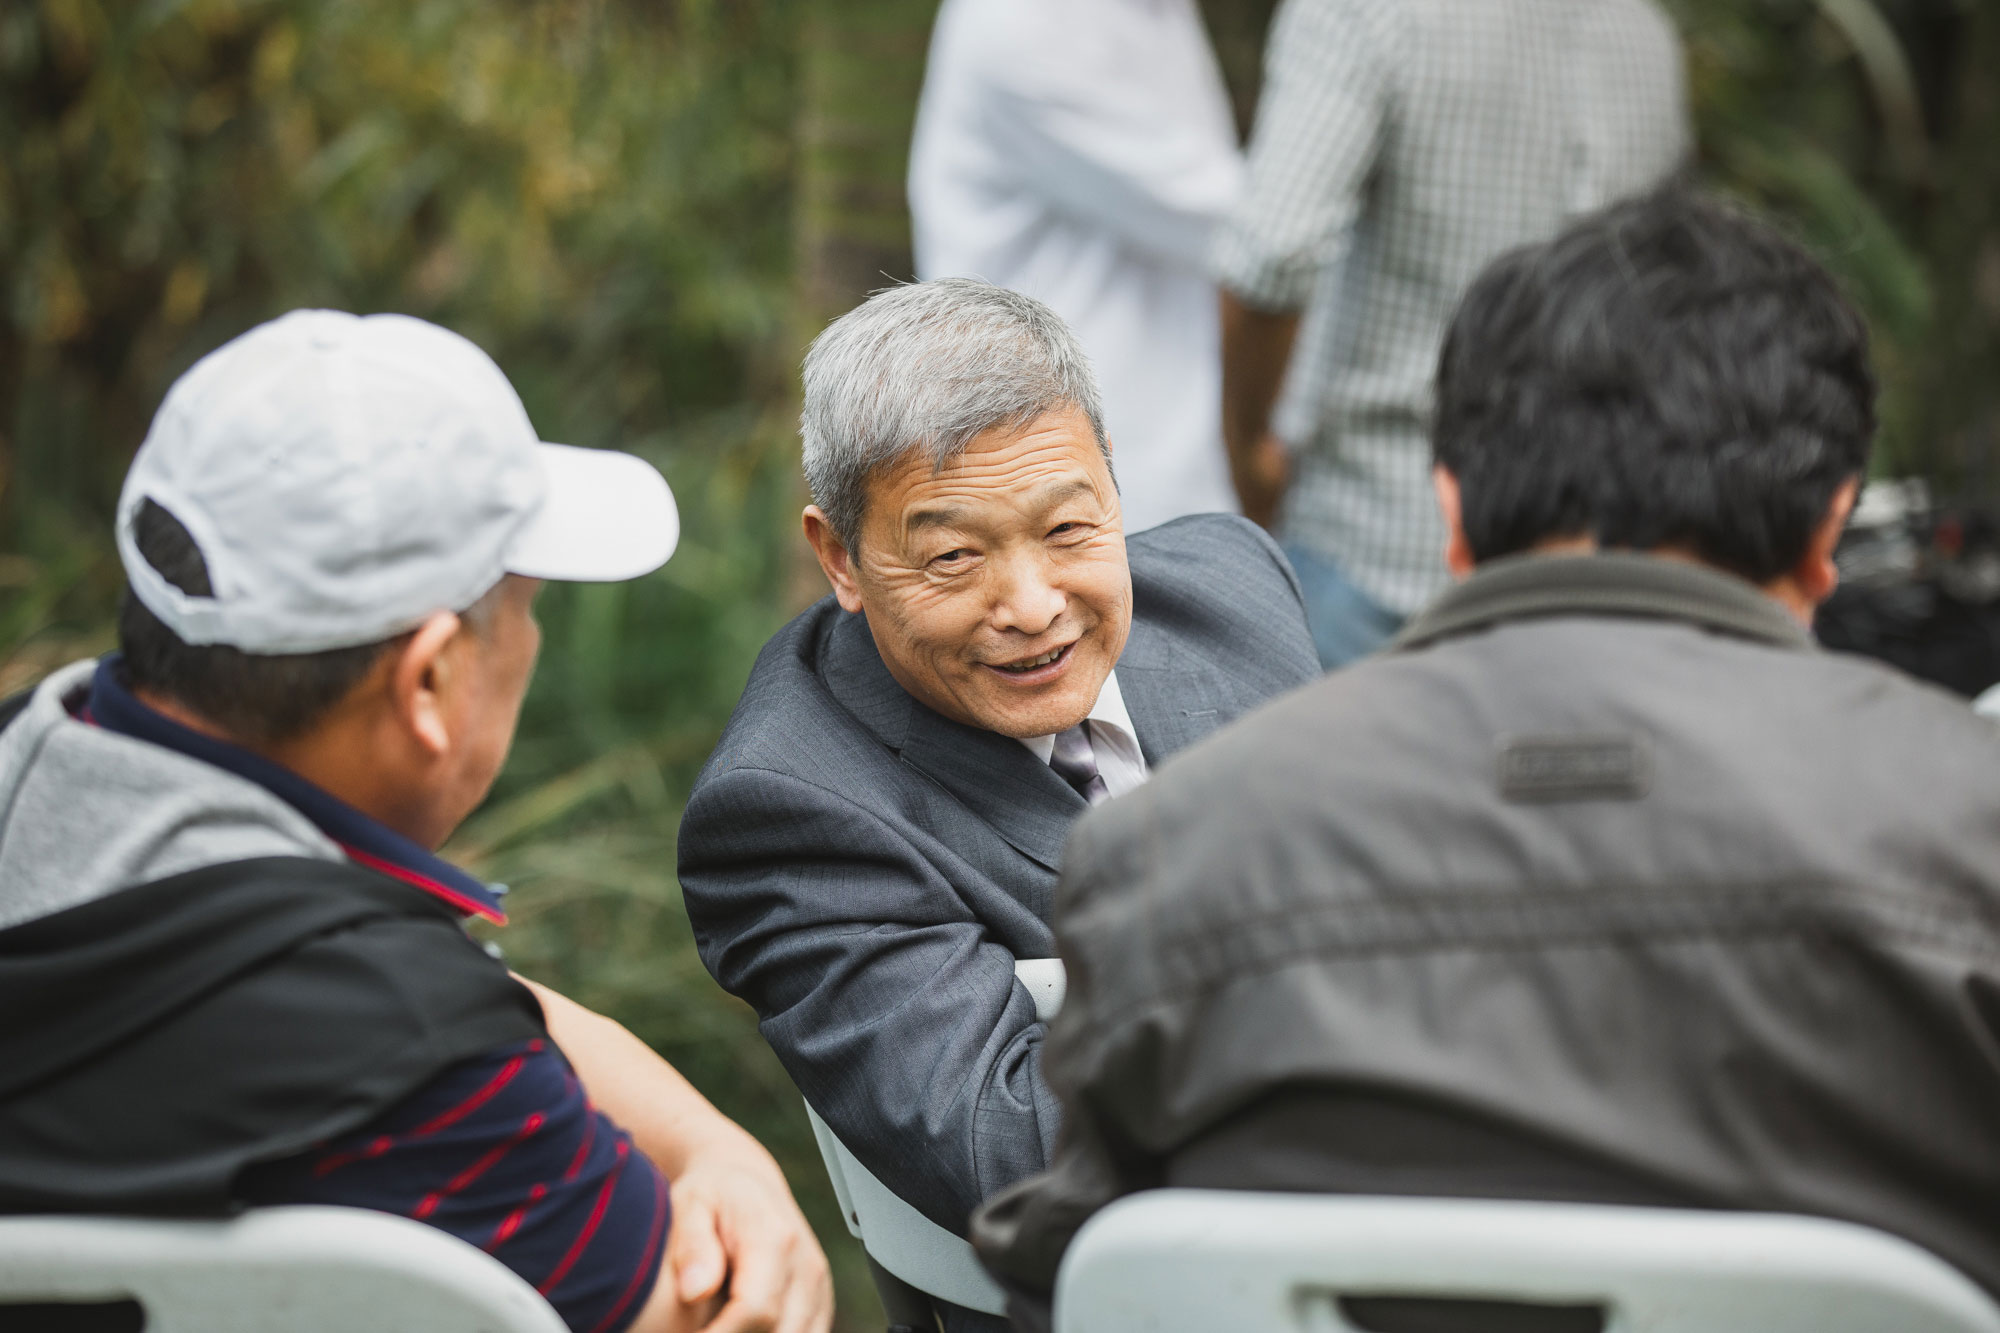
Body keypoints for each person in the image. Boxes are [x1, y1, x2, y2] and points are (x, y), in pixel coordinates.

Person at [971, 190, 2000, 1328]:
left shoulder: (1160, 847)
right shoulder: (1967, 822)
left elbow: (1081, 1266)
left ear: (1449, 515)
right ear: (1829, 530)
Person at [0, 311, 832, 1333]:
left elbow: (462, 997)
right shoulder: (423, 1072)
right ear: (431, 679)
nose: (527, 636)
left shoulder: (46, 774)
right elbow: (705, 1313)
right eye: (524, 604)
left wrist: (716, 1150)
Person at [677, 279, 1319, 1330]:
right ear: (838, 555)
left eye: (1068, 527)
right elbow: (1013, 1150)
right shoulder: (788, 813)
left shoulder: (1230, 586)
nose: (1030, 606)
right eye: (952, 557)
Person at [1216, 0, 1689, 667]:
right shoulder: (1641, 33)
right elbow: (1659, 295)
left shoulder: (1363, 13)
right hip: (1574, 565)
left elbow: (1273, 255)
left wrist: (1248, 452)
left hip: (1370, 547)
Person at [909, 0, 1244, 531]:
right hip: (1074, 486)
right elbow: (1239, 224)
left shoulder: (1159, 13)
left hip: (1178, 464)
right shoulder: (1017, 24)